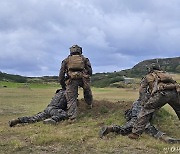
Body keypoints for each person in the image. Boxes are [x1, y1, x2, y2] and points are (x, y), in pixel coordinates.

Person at [128, 63, 180, 140]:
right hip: (174, 93)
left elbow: (142, 90)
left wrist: (143, 102)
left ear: (150, 69)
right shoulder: (166, 74)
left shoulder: (148, 76)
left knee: (146, 111)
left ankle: (135, 133)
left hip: (162, 94)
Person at [99, 99, 180, 143]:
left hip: (134, 118)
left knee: (124, 129)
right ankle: (165, 138)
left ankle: (111, 128)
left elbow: (129, 113)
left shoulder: (136, 102)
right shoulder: (149, 103)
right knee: (149, 128)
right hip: (141, 119)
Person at [59, 45, 93, 120]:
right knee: (87, 91)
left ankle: (72, 117)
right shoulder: (84, 59)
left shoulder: (66, 60)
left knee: (71, 99)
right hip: (83, 78)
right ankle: (89, 106)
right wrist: (86, 76)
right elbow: (90, 71)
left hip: (71, 79)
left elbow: (61, 74)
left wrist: (63, 85)